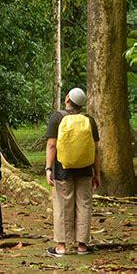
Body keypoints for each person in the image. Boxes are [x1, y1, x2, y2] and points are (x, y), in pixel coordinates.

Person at [45, 88, 101, 257]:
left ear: (67, 98)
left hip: (63, 170)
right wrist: (96, 174)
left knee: (63, 205)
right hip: (85, 170)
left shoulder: (57, 117)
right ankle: (82, 246)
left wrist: (48, 168)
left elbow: (51, 145)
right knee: (84, 205)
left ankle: (61, 247)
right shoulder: (89, 120)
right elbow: (96, 150)